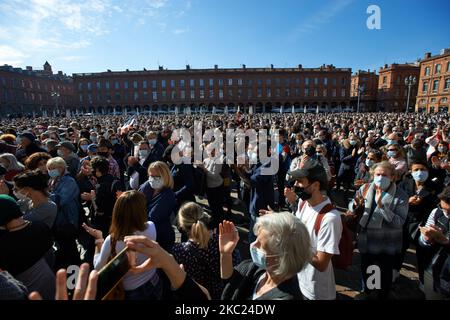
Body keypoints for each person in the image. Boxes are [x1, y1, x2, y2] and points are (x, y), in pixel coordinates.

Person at [83, 190, 162, 300]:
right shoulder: (151, 226)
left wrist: (99, 240)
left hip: (132, 291)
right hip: (154, 281)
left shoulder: (112, 240)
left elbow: (98, 267)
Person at [350, 161, 408, 299]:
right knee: (368, 267)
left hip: (386, 240)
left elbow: (399, 222)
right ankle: (369, 292)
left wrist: (382, 206)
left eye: (384, 175)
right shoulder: (365, 188)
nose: (380, 177)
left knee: (384, 272)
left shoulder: (401, 196)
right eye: (378, 174)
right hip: (366, 236)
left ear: (392, 177)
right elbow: (352, 205)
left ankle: (382, 294)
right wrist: (355, 206)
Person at [219, 213, 311, 300]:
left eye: (261, 245)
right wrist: (226, 254)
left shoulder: (285, 297)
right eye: (256, 239)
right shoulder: (258, 269)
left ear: (281, 257)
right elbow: (230, 279)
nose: (253, 245)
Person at [284, 165, 342, 300]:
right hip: (300, 279)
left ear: (315, 185)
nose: (295, 185)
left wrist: (296, 243)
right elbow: (297, 227)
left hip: (317, 291)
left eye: (300, 181)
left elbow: (321, 263)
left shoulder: (330, 218)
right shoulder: (303, 204)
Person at [172, 202, 241, 299]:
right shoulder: (223, 241)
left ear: (182, 226)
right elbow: (237, 265)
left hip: (198, 295)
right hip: (223, 292)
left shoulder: (179, 251)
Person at [0, 195, 55, 300]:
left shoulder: (4, 243)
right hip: (50, 283)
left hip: (27, 293)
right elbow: (50, 255)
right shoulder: (40, 227)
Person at [398, 161, 438, 287]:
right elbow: (396, 200)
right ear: (411, 171)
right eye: (416, 170)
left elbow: (437, 205)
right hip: (405, 222)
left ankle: (423, 280)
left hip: (423, 223)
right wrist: (407, 201)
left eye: (423, 169)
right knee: (400, 249)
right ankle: (395, 273)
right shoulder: (404, 184)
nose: (419, 172)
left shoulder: (435, 187)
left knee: (423, 254)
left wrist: (425, 201)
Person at [47, 157, 81, 269]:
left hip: (67, 220)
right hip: (57, 221)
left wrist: (44, 196)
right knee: (63, 246)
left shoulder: (69, 181)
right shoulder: (53, 180)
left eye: (53, 168)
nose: (50, 171)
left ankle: (77, 270)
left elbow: (61, 200)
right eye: (49, 168)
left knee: (70, 247)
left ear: (61, 168)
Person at [418, 186, 450, 300]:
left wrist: (445, 241)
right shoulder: (437, 212)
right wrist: (426, 239)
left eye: (449, 210)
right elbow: (422, 242)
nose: (445, 213)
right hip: (433, 268)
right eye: (443, 208)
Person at [81, 156, 123, 237]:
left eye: (92, 169)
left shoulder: (100, 186)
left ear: (97, 170)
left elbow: (99, 211)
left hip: (104, 222)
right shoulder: (115, 180)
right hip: (115, 219)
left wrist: (92, 197)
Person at [139, 161, 176, 252]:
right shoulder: (147, 187)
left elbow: (153, 217)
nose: (153, 179)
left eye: (157, 177)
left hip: (160, 237)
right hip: (143, 235)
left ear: (165, 176)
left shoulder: (168, 195)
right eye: (151, 176)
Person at [198, 144, 225, 227]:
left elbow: (214, 175)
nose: (209, 152)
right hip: (209, 187)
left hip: (216, 187)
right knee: (212, 205)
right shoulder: (206, 160)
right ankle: (215, 220)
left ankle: (219, 223)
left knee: (217, 206)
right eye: (207, 150)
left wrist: (204, 169)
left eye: (211, 150)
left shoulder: (218, 161)